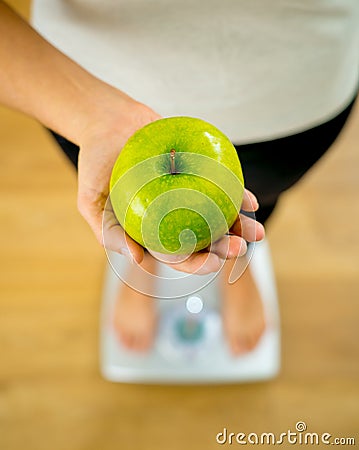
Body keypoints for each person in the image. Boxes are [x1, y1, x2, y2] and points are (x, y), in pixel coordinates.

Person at [1, 0, 358, 354]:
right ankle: (143, 262)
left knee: (253, 207)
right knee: (131, 217)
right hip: (79, 91)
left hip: (297, 97)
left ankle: (234, 261)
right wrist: (90, 116)